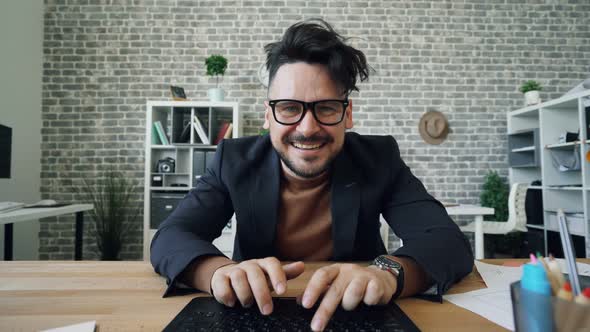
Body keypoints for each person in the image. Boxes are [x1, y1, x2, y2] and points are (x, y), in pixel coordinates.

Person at [151, 19, 473, 332]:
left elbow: (447, 241)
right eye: (289, 108)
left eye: (327, 108)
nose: (307, 128)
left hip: (357, 314)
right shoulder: (232, 161)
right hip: (255, 314)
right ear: (268, 115)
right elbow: (170, 237)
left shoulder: (379, 159)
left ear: (347, 115)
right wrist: (219, 272)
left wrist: (387, 273)